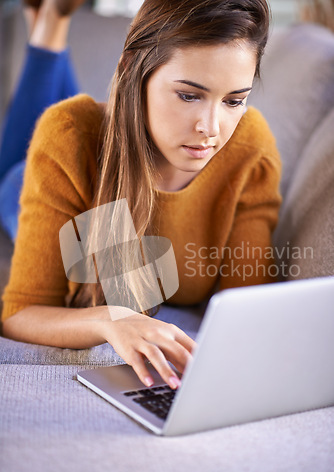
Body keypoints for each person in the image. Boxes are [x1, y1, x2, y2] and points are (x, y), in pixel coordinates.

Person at [1, 0, 282, 390]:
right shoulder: (66, 141)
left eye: (234, 100)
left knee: (79, 121)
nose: (211, 128)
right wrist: (110, 318)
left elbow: (246, 311)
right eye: (188, 95)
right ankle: (49, 25)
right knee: (48, 135)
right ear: (130, 67)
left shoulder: (248, 146)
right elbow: (20, 313)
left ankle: (49, 19)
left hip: (104, 142)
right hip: (26, 185)